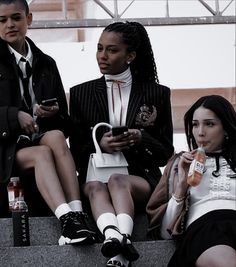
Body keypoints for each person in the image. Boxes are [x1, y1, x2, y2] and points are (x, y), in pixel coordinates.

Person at [69, 21, 174, 267]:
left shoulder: (156, 93)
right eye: (99, 48)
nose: (102, 56)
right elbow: (75, 151)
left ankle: (118, 235)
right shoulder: (80, 93)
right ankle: (118, 238)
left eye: (112, 50)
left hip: (139, 177)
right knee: (95, 186)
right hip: (94, 175)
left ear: (131, 56)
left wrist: (140, 138)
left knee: (117, 180)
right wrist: (100, 143)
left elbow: (165, 153)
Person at [0, 0, 95, 245]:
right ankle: (66, 221)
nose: (10, 24)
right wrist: (14, 116)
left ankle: (77, 212)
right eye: (2, 20)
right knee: (42, 152)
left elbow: (65, 124)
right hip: (6, 150)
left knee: (55, 136)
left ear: (29, 19)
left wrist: (53, 113)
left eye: (16, 18)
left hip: (39, 138)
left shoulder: (46, 63)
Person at [146, 95, 236, 267]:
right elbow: (166, 232)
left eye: (209, 124)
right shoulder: (179, 164)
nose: (200, 132)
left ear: (226, 128)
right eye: (195, 124)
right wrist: (181, 185)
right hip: (206, 228)